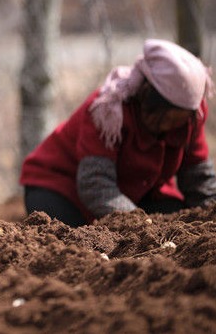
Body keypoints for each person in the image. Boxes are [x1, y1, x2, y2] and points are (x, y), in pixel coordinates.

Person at [20, 38, 216, 226]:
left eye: (176, 121)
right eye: (162, 118)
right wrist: (137, 223)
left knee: (178, 218)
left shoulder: (193, 116)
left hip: (136, 192)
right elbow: (95, 185)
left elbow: (197, 175)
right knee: (71, 236)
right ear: (145, 96)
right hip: (63, 187)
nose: (168, 126)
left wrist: (210, 212)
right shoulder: (108, 110)